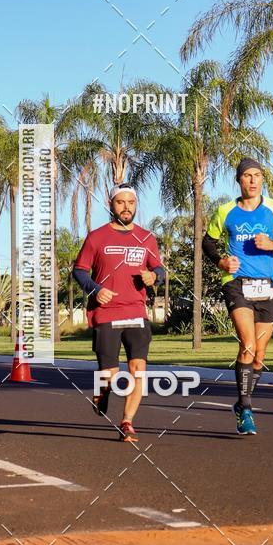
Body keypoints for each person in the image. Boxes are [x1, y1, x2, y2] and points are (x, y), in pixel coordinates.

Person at [203, 158, 273, 435]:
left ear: (262, 179)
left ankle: (241, 402)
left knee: (259, 355)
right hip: (237, 284)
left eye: (257, 175)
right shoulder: (225, 211)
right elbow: (207, 242)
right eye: (247, 176)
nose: (253, 180)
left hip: (268, 285)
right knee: (247, 344)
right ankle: (245, 408)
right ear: (239, 180)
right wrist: (221, 261)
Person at [73, 184, 165, 442]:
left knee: (138, 370)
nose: (126, 207)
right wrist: (94, 290)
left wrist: (153, 276)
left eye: (131, 203)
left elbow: (160, 270)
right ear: (111, 205)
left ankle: (127, 422)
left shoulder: (146, 238)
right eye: (121, 202)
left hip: (136, 311)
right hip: (106, 313)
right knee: (111, 375)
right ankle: (102, 392)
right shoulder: (96, 237)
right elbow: (79, 271)